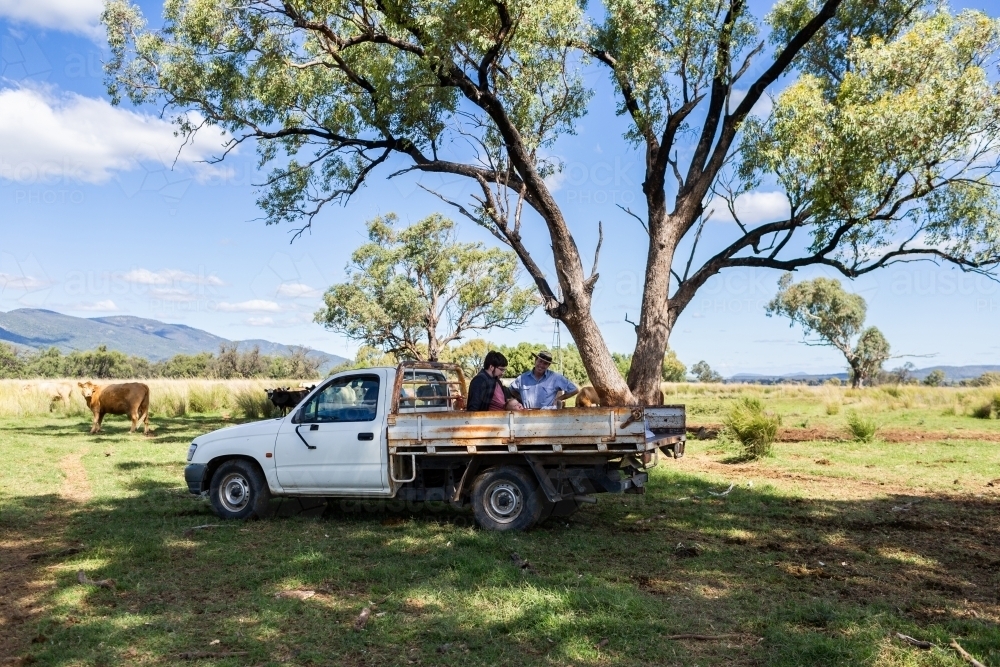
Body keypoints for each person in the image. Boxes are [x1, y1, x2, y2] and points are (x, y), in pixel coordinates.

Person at [509, 350, 579, 409]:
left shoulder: (555, 378)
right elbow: (511, 389)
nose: (541, 365)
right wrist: (522, 399)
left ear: (548, 365)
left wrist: (558, 399)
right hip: (527, 416)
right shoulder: (522, 378)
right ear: (535, 360)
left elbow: (574, 390)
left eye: (545, 363)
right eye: (540, 361)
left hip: (547, 417)